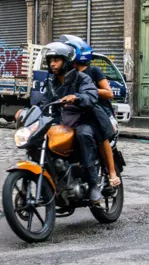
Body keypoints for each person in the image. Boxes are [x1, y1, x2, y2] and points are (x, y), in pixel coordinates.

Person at [39, 41, 104, 203]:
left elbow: (91, 96)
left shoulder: (82, 78)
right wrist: (27, 111)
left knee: (83, 135)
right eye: (50, 60)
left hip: (82, 120)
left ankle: (93, 184)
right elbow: (43, 103)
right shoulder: (51, 82)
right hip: (61, 123)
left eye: (57, 60)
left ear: (67, 61)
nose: (53, 63)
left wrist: (77, 97)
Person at [59, 34, 121, 187]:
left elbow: (109, 93)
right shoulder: (69, 73)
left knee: (101, 137)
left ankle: (112, 172)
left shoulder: (94, 71)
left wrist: (89, 91)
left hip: (100, 112)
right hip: (79, 113)